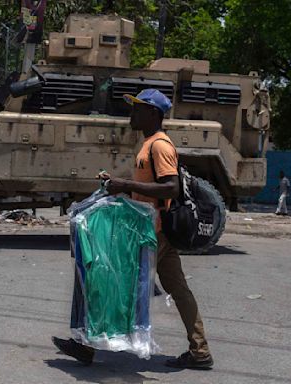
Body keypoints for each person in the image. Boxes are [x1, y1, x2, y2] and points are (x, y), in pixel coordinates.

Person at [52, 89, 213, 369]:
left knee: (110, 278)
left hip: (153, 233)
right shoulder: (149, 143)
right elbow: (149, 188)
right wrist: (118, 183)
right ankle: (200, 351)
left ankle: (87, 345)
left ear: (152, 113)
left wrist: (126, 185)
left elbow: (171, 187)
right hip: (153, 230)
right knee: (178, 288)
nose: (132, 113)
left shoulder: (159, 145)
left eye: (137, 108)